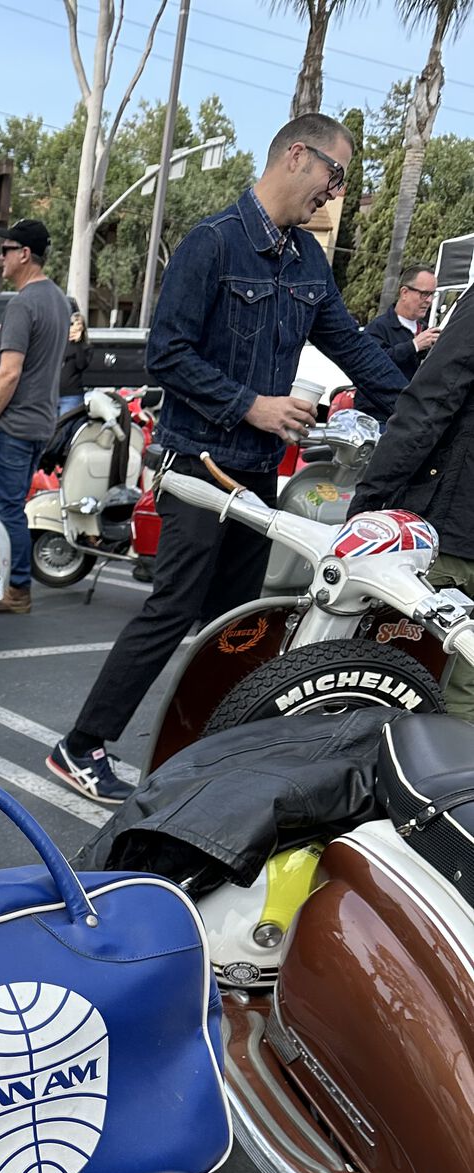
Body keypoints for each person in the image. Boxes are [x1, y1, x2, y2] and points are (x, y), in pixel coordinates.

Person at [46, 112, 411, 805]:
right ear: (297, 156)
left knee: (242, 622)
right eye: (335, 175)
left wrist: (429, 407)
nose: (334, 194)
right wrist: (254, 405)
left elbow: (356, 349)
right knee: (176, 605)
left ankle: (210, 754)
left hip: (253, 471)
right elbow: (168, 356)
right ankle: (81, 745)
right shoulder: (211, 243)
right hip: (198, 466)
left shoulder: (308, 262)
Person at [355, 293, 474, 716]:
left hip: (454, 535)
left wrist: (369, 497)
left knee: (392, 686)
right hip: (457, 525)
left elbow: (430, 403)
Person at [0, 219, 72, 615]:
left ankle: (17, 589)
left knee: (8, 509)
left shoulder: (23, 303)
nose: (0, 257)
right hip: (40, 422)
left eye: (6, 249)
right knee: (14, 505)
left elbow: (10, 371)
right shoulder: (58, 300)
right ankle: (15, 586)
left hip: (13, 424)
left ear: (24, 255)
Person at [363, 265, 440, 383]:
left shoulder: (425, 330)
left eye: (432, 294)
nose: (429, 300)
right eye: (424, 294)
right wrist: (414, 346)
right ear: (404, 292)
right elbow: (373, 363)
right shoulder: (378, 327)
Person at [59, 306, 90, 417]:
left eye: (79, 324)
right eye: (72, 324)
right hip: (53, 395)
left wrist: (77, 344)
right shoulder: (60, 344)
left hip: (71, 395)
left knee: (66, 428)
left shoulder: (84, 347)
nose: (75, 327)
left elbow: (81, 365)